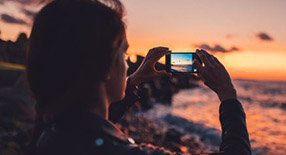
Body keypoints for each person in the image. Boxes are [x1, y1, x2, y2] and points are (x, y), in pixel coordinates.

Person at [26, 0, 251, 154]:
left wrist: (133, 81)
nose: (127, 64)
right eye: (123, 54)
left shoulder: (50, 132)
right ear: (103, 67)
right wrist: (228, 96)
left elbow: (85, 122)